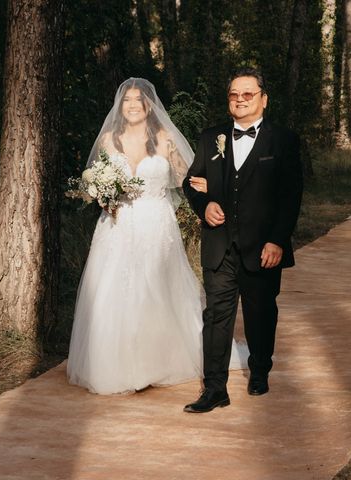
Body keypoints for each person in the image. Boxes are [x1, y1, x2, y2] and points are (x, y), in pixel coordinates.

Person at [67, 78, 246, 395]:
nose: (133, 104)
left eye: (139, 99)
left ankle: (159, 361)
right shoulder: (109, 139)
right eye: (127, 100)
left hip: (155, 223)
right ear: (120, 106)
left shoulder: (165, 139)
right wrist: (102, 194)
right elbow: (94, 182)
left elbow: (189, 180)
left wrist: (221, 196)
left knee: (157, 289)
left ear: (150, 105)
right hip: (116, 227)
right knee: (113, 292)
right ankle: (115, 365)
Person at [182, 67, 303, 413]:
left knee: (260, 313)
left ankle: (260, 370)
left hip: (263, 247)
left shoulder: (283, 140)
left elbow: (290, 196)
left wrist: (278, 240)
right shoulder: (211, 138)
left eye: (247, 94)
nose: (240, 99)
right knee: (216, 316)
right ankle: (214, 388)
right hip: (219, 246)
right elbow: (192, 182)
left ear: (263, 99)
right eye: (234, 94)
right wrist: (204, 207)